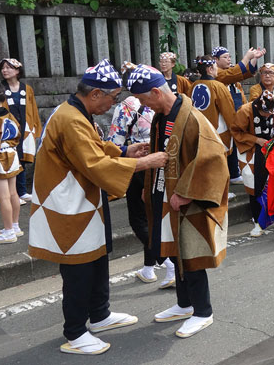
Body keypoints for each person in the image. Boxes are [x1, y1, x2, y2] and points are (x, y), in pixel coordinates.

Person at [28, 59, 167, 355]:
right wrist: (142, 162)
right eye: (112, 97)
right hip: (66, 205)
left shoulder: (76, 113)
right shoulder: (70, 118)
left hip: (81, 199)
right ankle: (75, 332)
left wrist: (123, 150)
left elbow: (94, 148)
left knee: (97, 258)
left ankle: (100, 314)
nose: (113, 103)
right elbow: (93, 162)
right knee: (78, 267)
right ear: (94, 94)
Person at [127, 64, 229, 339]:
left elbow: (214, 158)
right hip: (165, 195)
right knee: (174, 250)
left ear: (156, 92)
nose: (142, 104)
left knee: (191, 255)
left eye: (143, 98)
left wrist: (185, 191)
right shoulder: (163, 116)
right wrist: (149, 188)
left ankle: (203, 312)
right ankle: (185, 304)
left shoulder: (192, 117)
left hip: (187, 200)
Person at [107, 62, 175, 288]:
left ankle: (167, 261)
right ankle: (148, 268)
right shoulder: (170, 98)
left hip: (138, 162)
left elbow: (115, 140)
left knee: (139, 218)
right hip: (161, 159)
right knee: (154, 216)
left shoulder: (127, 105)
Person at [230, 90, 274, 237]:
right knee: (255, 186)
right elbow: (236, 131)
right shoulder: (245, 110)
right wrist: (256, 140)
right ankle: (258, 221)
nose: (269, 115)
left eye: (271, 112)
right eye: (266, 113)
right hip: (252, 150)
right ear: (258, 107)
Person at [0, 58, 41, 206]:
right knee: (11, 159)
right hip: (7, 131)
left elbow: (33, 109)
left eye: (8, 68)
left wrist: (36, 127)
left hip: (25, 128)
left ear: (17, 71)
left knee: (22, 159)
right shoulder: (0, 88)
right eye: (3, 68)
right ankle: (14, 194)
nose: (5, 70)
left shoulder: (27, 88)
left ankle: (21, 191)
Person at [212, 46, 246, 185]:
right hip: (221, 120)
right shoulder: (218, 76)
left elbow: (242, 98)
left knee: (234, 146)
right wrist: (248, 59)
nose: (229, 59)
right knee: (224, 148)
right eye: (225, 57)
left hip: (235, 118)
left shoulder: (234, 83)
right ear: (215, 60)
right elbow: (231, 74)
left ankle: (234, 173)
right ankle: (224, 179)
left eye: (230, 57)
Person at [190, 55, 236, 154]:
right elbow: (229, 113)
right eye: (216, 67)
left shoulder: (193, 86)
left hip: (197, 132)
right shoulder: (218, 86)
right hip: (217, 134)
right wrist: (236, 130)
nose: (217, 70)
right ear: (210, 69)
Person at [0, 82, 24, 244]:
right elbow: (18, 133)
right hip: (12, 154)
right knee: (13, 193)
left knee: (3, 197)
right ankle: (15, 226)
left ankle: (8, 232)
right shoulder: (9, 114)